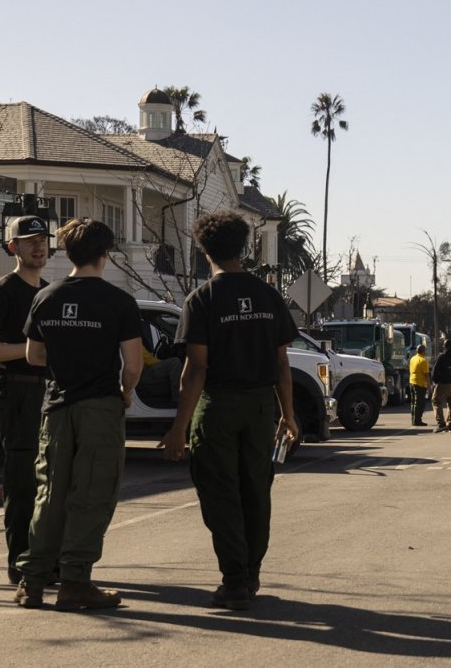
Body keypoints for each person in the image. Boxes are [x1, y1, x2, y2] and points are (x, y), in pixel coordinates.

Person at [160, 211, 299, 611]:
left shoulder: (202, 299)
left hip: (218, 407)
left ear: (204, 250)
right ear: (245, 248)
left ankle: (235, 581)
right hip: (260, 408)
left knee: (221, 494)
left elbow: (196, 369)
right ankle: (250, 574)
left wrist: (179, 428)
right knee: (256, 491)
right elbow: (282, 364)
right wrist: (288, 414)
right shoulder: (269, 297)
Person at [17, 218, 143, 611]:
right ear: (105, 254)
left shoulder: (46, 297)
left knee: (49, 493)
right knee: (92, 493)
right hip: (100, 407)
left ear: (67, 253)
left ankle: (32, 582)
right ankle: (74, 581)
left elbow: (33, 355)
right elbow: (133, 364)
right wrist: (125, 392)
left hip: (56, 406)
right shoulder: (119, 301)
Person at [0, 215, 50, 586]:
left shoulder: (48, 291)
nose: (39, 246)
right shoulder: (3, 290)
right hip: (17, 394)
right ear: (13, 247)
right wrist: (31, 350)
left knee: (49, 482)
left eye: (43, 239)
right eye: (30, 240)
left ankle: (46, 560)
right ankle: (20, 564)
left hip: (48, 394)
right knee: (22, 484)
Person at [431, 339, 451, 432]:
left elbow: (435, 370)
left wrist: (436, 381)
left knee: (436, 401)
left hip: (443, 383)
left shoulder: (442, 357)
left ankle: (441, 424)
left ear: (445, 346)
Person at [409, 344, 430, 426]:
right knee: (420, 403)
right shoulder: (423, 361)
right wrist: (429, 385)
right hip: (420, 384)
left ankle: (413, 419)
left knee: (413, 402)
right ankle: (417, 420)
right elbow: (426, 374)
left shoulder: (413, 359)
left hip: (412, 382)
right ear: (423, 351)